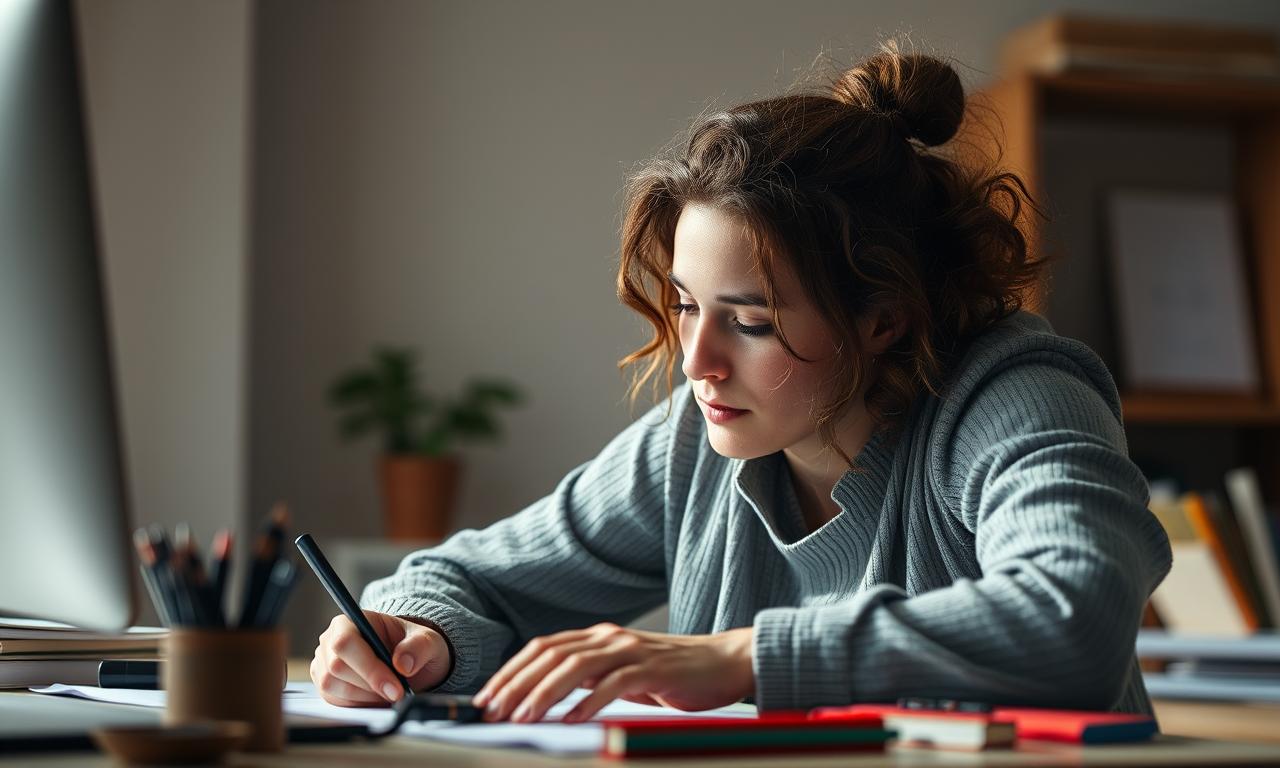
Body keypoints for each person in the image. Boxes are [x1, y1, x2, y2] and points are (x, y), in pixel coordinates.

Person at [310, 43, 1172, 724]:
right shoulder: (700, 436)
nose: (697, 362)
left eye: (751, 321)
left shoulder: (1014, 394)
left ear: (884, 319)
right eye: (687, 306)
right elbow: (468, 579)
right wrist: (412, 634)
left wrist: (741, 657)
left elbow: (1074, 619)